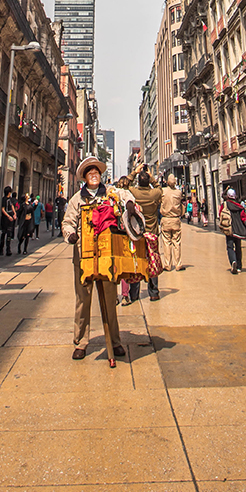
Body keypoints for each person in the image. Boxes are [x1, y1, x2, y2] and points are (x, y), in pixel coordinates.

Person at [62, 155, 127, 361]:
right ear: (84, 177)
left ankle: (114, 341)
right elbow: (67, 222)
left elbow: (125, 198)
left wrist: (129, 205)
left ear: (100, 175)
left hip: (107, 254)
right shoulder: (76, 199)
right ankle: (80, 342)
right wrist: (70, 234)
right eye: (90, 172)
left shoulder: (110, 194)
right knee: (83, 299)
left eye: (96, 172)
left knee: (110, 299)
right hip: (83, 255)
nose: (94, 175)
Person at [128, 166, 163, 301]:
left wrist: (134, 172)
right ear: (148, 181)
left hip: (138, 234)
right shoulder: (154, 194)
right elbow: (159, 188)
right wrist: (152, 176)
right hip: (152, 233)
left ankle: (134, 293)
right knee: (152, 260)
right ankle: (154, 292)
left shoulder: (134, 193)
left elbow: (124, 185)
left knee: (137, 261)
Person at [219, 188, 246, 273]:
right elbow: (244, 218)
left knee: (230, 247)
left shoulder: (225, 205)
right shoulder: (239, 206)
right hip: (238, 230)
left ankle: (233, 261)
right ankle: (239, 266)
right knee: (238, 247)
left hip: (229, 228)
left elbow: (220, 214)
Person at [160, 174, 183, 271]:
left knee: (166, 242)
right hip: (176, 219)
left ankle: (167, 265)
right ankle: (178, 264)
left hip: (166, 219)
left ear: (167, 182)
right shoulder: (179, 193)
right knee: (176, 242)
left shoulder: (163, 191)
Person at [0, 186, 16, 257]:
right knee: (3, 233)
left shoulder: (10, 199)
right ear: (9, 193)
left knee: (9, 234)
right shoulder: (4, 199)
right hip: (5, 219)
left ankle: (8, 249)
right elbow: (3, 209)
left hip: (10, 219)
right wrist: (8, 216)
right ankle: (1, 249)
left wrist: (14, 214)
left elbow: (12, 206)